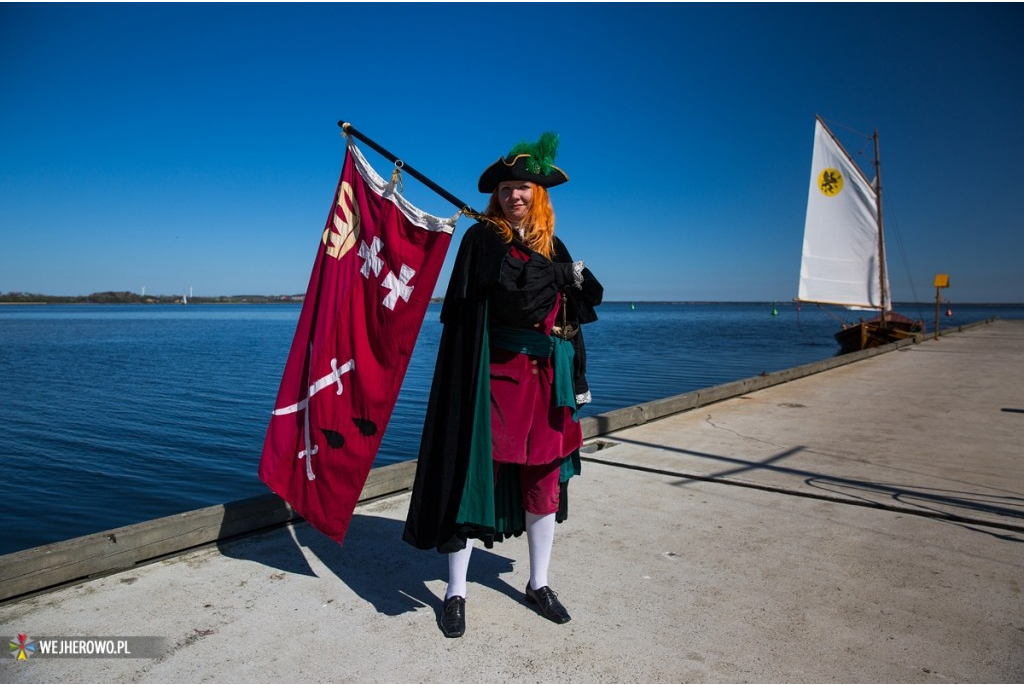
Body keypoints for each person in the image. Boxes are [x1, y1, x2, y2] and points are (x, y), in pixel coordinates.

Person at [402, 132, 603, 638]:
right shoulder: (483, 239)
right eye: (509, 188)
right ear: (498, 195)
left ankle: (539, 582)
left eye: (526, 188)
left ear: (540, 195)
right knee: (476, 481)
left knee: (544, 483)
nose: (516, 195)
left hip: (547, 385)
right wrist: (560, 274)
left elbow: (577, 307)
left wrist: (575, 374)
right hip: (494, 380)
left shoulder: (552, 245)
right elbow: (518, 299)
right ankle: (455, 591)